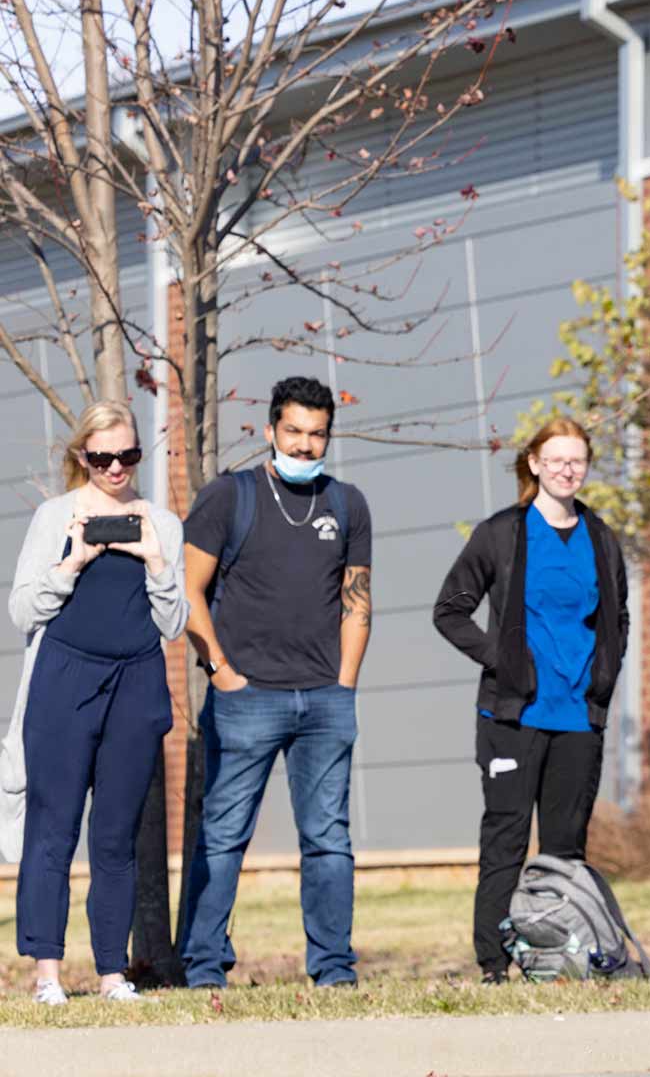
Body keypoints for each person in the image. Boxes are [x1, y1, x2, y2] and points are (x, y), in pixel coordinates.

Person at [177, 376, 373, 989]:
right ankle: (205, 967)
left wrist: (343, 683)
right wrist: (222, 674)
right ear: (269, 431)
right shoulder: (228, 498)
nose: (306, 445)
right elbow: (187, 592)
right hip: (246, 698)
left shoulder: (348, 504)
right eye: (294, 431)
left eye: (317, 435)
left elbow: (358, 602)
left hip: (324, 699)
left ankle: (334, 971)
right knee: (224, 836)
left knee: (328, 842)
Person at [433, 417, 631, 983]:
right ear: (535, 464)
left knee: (567, 848)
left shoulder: (601, 537)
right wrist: (504, 659)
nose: (568, 469)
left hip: (578, 717)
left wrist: (605, 677)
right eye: (557, 459)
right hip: (513, 716)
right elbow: (449, 610)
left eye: (578, 461)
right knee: (506, 838)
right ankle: (495, 962)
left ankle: (560, 956)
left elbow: (617, 616)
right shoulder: (501, 533)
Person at [3, 402, 185, 1004]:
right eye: (102, 457)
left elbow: (175, 620)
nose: (114, 468)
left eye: (127, 456)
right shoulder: (57, 515)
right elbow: (23, 611)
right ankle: (48, 976)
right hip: (64, 680)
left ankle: (113, 973)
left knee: (115, 835)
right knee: (52, 830)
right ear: (83, 456)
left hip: (135, 681)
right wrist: (73, 560)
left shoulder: (160, 520)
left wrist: (155, 558)